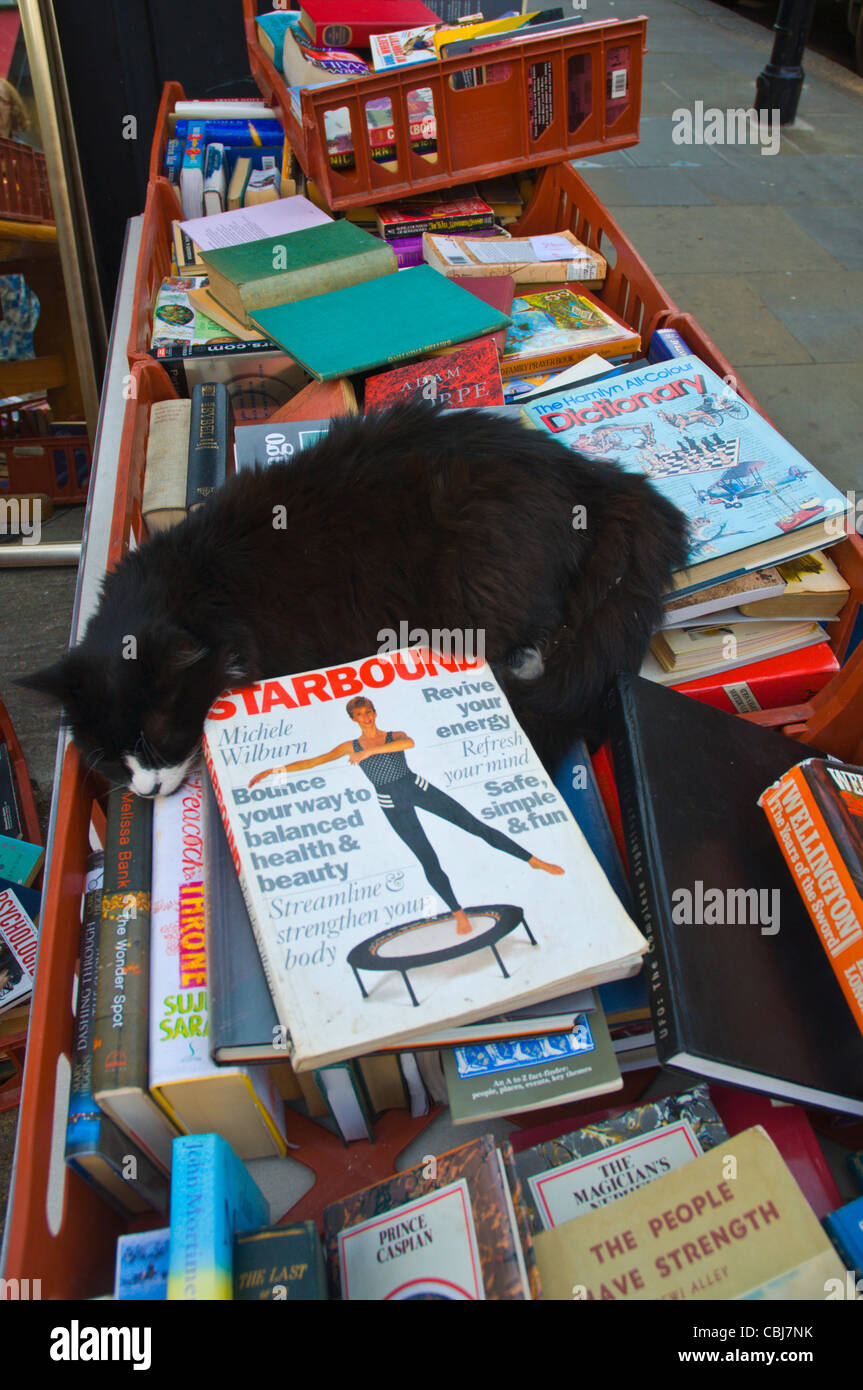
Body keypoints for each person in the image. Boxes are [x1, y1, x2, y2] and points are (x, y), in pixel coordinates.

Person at [249, 696, 563, 936]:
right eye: (358, 714)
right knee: (427, 857)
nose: (365, 717)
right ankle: (458, 913)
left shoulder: (392, 735)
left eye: (368, 711)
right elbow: (312, 762)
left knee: (475, 826)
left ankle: (534, 860)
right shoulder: (350, 745)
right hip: (391, 802)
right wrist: (271, 771)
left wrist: (369, 752)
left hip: (417, 787)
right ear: (353, 719)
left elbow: (408, 743)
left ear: (374, 713)